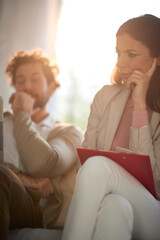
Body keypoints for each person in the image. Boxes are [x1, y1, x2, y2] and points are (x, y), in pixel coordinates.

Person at [62, 14, 160, 240]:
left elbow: (155, 181)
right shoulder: (105, 97)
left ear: (157, 58)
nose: (120, 62)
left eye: (131, 54)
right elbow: (83, 164)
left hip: (153, 211)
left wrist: (139, 105)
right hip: (112, 198)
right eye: (118, 53)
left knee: (98, 166)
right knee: (115, 207)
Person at [0, 49, 83, 240]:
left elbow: (44, 163)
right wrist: (20, 175)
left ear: (52, 87)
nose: (27, 86)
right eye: (20, 81)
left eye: (35, 79)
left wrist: (22, 114)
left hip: (32, 208)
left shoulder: (67, 132)